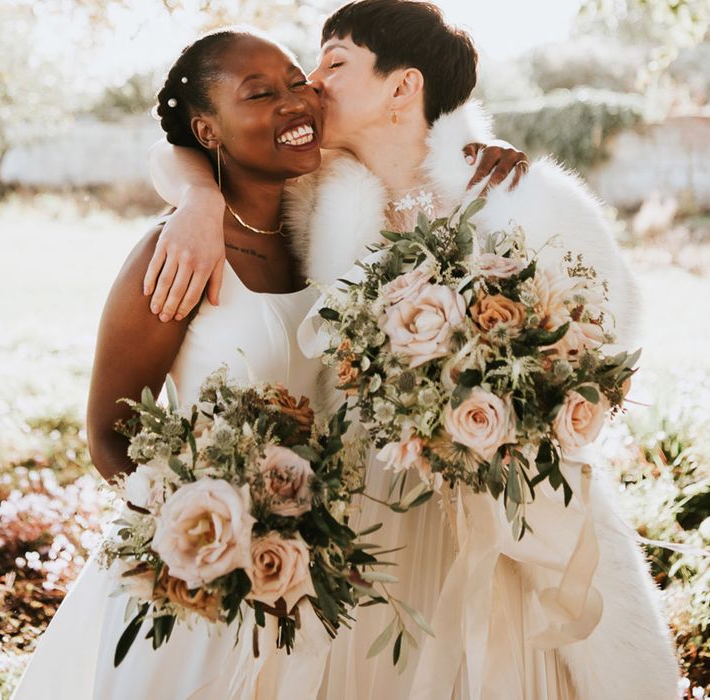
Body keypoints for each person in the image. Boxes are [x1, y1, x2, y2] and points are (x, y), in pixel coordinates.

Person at [144, 2, 682, 699]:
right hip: (364, 518)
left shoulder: (520, 197)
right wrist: (197, 201)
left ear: (404, 87)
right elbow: (174, 143)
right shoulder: (313, 196)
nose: (312, 80)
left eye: (335, 61)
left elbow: (607, 342)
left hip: (505, 517)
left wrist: (501, 408)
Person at [12, 28, 333, 700]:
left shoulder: (333, 229)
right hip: (199, 585)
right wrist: (206, 531)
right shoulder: (175, 254)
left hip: (324, 574)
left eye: (297, 79)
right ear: (207, 131)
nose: (293, 100)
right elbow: (107, 435)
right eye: (260, 93)